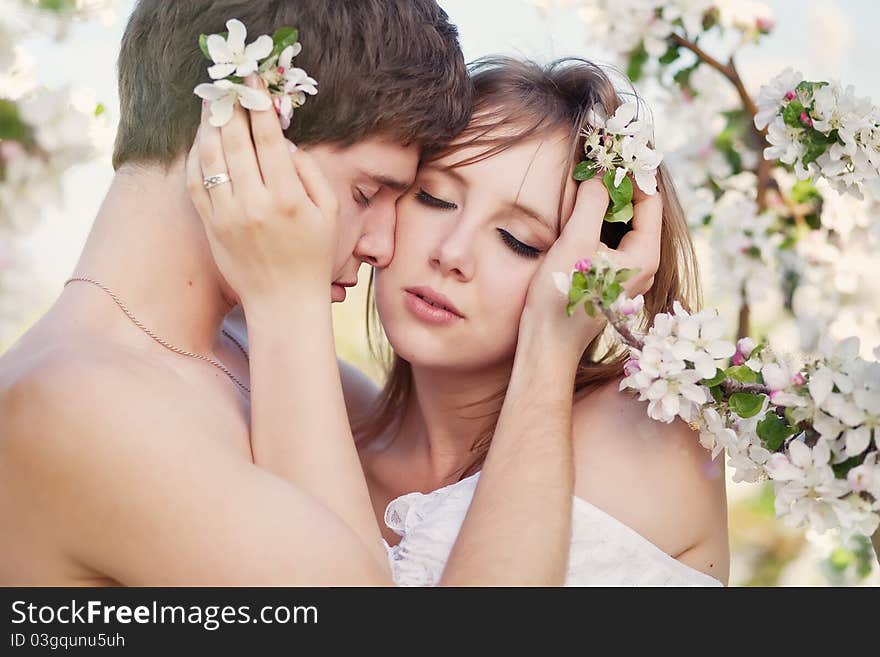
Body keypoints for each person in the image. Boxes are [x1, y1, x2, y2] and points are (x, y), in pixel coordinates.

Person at [0, 0, 576, 586]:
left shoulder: (299, 376)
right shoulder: (69, 409)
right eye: (366, 193)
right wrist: (288, 301)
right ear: (244, 133)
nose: (384, 245)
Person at [211, 58, 725, 585]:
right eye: (434, 198)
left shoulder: (644, 434)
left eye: (520, 241)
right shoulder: (318, 430)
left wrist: (549, 347)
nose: (452, 252)